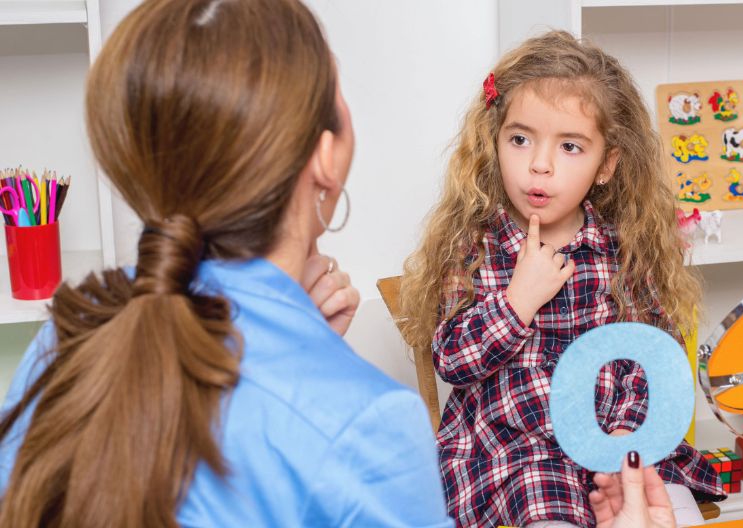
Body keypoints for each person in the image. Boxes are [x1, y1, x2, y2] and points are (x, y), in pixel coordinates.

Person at [0, 0, 451, 526]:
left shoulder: (63, 344)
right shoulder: (372, 426)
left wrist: (284, 336)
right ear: (326, 157)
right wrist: (299, 358)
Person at [399, 31, 726, 528]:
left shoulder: (624, 249)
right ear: (495, 140)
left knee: (673, 510)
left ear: (606, 165)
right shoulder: (474, 247)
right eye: (520, 139)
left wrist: (625, 434)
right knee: (548, 512)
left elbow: (654, 354)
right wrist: (516, 301)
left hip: (612, 442)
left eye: (570, 146)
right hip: (516, 453)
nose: (539, 164)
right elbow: (452, 360)